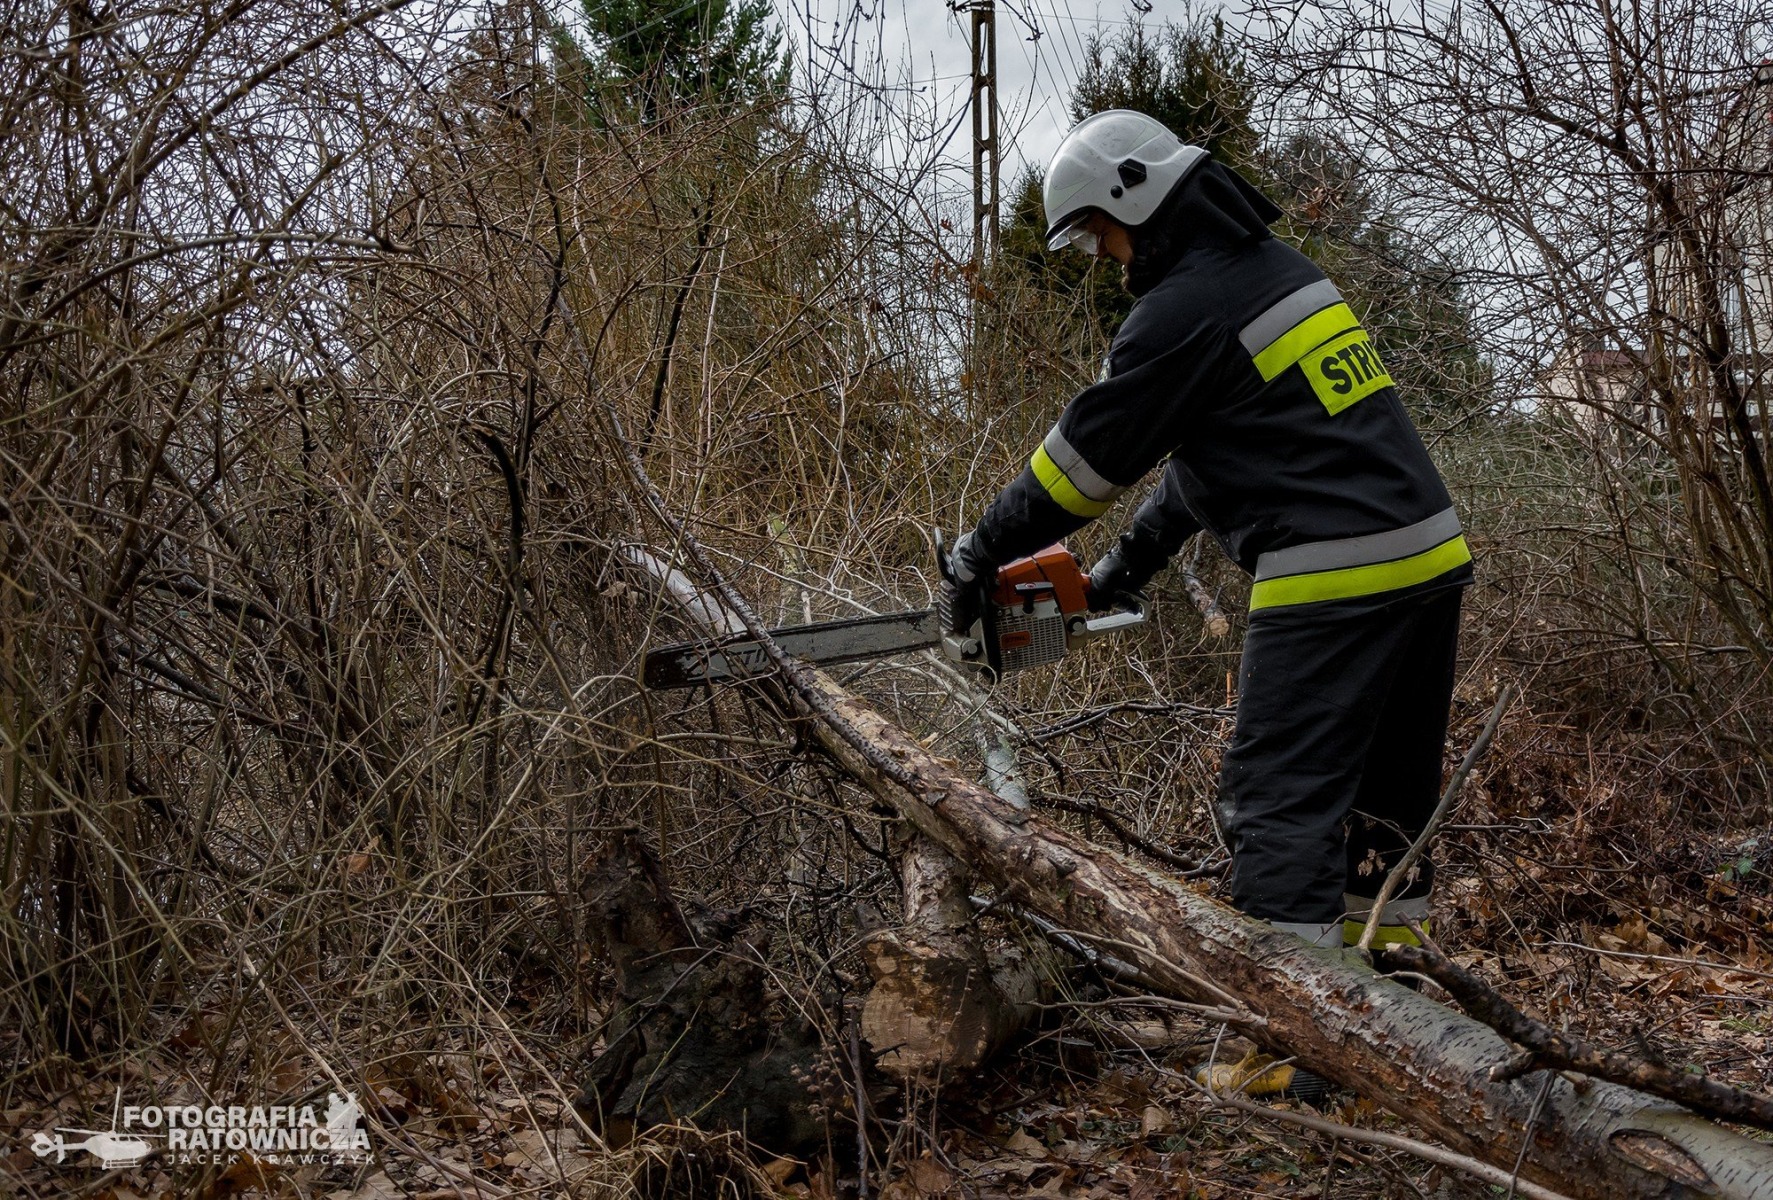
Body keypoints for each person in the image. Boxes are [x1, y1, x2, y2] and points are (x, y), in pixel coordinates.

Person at [942, 110, 1472, 961]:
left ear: (1136, 196)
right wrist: (1128, 564)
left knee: (1277, 805)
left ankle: (1296, 1045)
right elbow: (1218, 456)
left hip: (1333, 575)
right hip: (1426, 558)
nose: (1107, 259)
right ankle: (1392, 1003)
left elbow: (1081, 467)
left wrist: (979, 554)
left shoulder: (1182, 309)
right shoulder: (1274, 274)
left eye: (1101, 237)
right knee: (1383, 805)